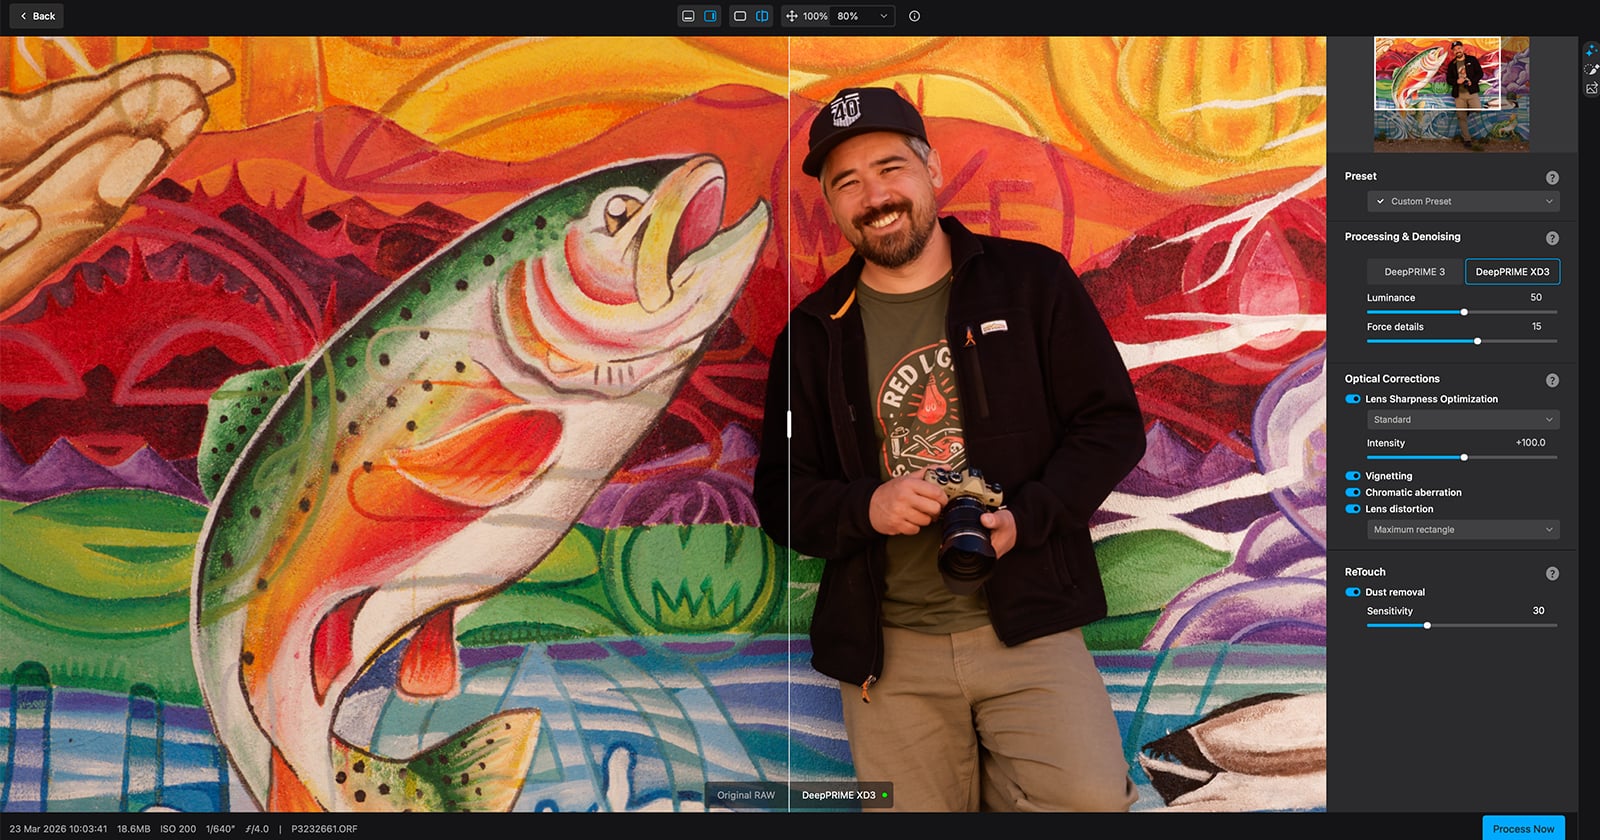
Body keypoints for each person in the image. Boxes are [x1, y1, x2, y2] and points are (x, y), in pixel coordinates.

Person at [753, 87, 1146, 812]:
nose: (875, 195)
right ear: (833, 207)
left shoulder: (1031, 283)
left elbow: (1111, 425)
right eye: (848, 182)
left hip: (1029, 622)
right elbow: (780, 492)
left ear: (931, 169)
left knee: (1091, 800)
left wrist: (1026, 518)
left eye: (890, 167)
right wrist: (866, 505)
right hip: (888, 648)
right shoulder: (811, 336)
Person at [1444, 40, 1485, 149]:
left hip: (1471, 92)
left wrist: (1472, 81)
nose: (1457, 51)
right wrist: (1456, 81)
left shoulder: (1472, 60)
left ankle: (1466, 110)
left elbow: (1480, 73)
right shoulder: (1451, 65)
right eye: (1455, 49)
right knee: (1461, 117)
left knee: (1477, 109)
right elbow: (1449, 79)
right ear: (1453, 52)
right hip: (1459, 95)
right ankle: (1467, 139)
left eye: (1459, 48)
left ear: (1462, 48)